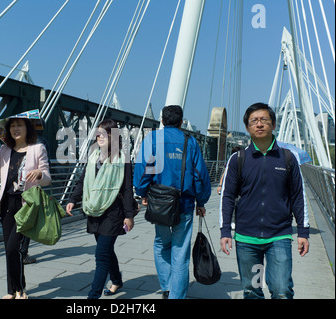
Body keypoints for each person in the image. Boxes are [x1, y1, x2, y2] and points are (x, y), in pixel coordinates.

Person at [219, 102, 309, 299]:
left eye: (264, 120)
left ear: (273, 124)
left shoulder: (288, 158)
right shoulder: (238, 159)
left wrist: (303, 232)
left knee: (281, 290)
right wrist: (225, 230)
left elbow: (298, 197)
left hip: (279, 236)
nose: (259, 124)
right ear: (247, 127)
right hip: (246, 239)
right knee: (253, 290)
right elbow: (227, 196)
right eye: (254, 121)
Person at [133, 105, 211, 299]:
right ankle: (176, 295)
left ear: (162, 119)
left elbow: (143, 169)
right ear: (181, 121)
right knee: (180, 251)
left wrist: (142, 192)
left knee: (161, 243)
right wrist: (201, 201)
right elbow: (200, 175)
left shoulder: (151, 139)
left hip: (159, 203)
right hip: (184, 203)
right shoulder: (190, 141)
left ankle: (167, 287)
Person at [0, 116, 51, 299]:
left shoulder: (38, 149)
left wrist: (39, 174)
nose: (15, 129)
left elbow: (47, 179)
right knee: (8, 249)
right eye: (12, 126)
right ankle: (11, 291)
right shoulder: (5, 150)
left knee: (14, 248)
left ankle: (20, 289)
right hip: (6, 205)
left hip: (26, 205)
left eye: (19, 125)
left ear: (28, 128)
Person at [66, 119, 135, 299]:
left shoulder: (123, 159)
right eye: (98, 134)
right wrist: (73, 199)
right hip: (95, 210)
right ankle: (117, 280)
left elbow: (127, 189)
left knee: (101, 255)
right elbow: (83, 180)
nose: (100, 137)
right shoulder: (93, 156)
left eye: (104, 133)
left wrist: (129, 216)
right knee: (106, 250)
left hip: (114, 213)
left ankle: (93, 297)